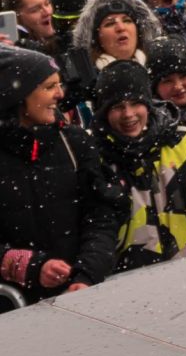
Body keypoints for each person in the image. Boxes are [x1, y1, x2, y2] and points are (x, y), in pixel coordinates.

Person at [0, 46, 120, 302]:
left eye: (59, 85)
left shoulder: (74, 141)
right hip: (11, 312)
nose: (60, 94)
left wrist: (86, 273)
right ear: (18, 95)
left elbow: (102, 214)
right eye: (48, 87)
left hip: (80, 296)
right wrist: (29, 267)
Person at [91, 59, 186, 269]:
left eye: (136, 103)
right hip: (126, 277)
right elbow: (97, 229)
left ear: (148, 103)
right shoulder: (95, 155)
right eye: (118, 107)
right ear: (104, 112)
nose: (128, 114)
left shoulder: (183, 139)